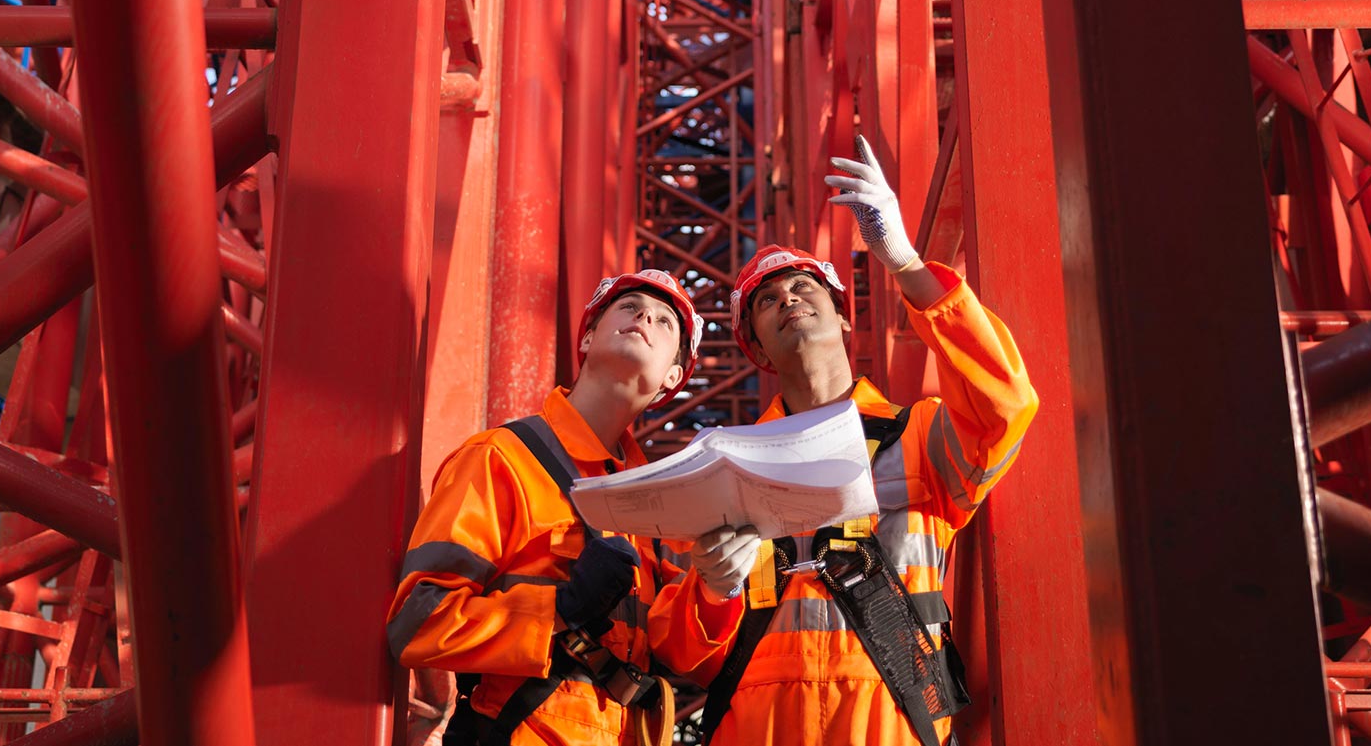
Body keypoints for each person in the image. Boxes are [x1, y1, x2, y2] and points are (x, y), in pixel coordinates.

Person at [690, 135, 1040, 746]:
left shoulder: (919, 436)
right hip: (757, 723)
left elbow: (1005, 404)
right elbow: (685, 645)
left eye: (804, 288)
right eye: (766, 301)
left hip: (890, 714)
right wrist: (712, 588)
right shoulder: (728, 470)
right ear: (757, 350)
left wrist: (905, 262)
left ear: (844, 313)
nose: (788, 299)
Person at [388, 270, 754, 746]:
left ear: (672, 377)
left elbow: (694, 660)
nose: (646, 316)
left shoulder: (661, 513)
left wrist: (719, 587)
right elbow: (419, 623)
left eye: (666, 322)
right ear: (586, 337)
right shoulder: (502, 458)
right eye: (630, 307)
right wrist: (558, 609)